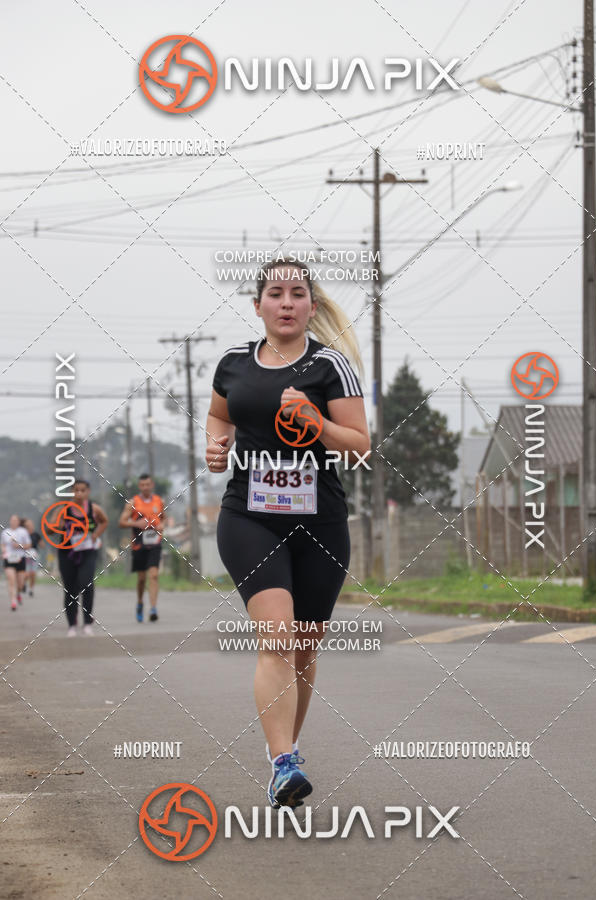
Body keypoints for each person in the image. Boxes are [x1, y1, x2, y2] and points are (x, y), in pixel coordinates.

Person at [206, 259, 369, 809]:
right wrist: (215, 444)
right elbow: (218, 417)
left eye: (297, 294)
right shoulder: (232, 363)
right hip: (248, 516)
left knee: (302, 648)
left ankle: (288, 748)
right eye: (275, 293)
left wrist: (318, 423)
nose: (286, 302)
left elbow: (361, 445)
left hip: (319, 521)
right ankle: (283, 765)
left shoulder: (332, 367)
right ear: (258, 306)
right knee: (276, 635)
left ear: (311, 307)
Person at [53, 480, 108, 636]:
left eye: (82, 490)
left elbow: (104, 521)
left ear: (88, 491)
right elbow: (51, 528)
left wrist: (96, 534)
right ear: (72, 491)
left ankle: (87, 621)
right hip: (67, 552)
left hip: (87, 551)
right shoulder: (64, 510)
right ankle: (72, 624)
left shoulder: (94, 509)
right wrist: (60, 526)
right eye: (76, 490)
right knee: (70, 588)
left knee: (86, 583)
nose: (79, 493)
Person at [119, 474, 165, 623]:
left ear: (152, 485)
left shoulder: (159, 501)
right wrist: (135, 524)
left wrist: (162, 525)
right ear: (140, 486)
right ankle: (140, 602)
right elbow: (121, 522)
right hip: (139, 544)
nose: (145, 487)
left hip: (155, 543)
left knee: (153, 575)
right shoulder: (132, 502)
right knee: (141, 579)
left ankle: (153, 608)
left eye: (148, 484)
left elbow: (163, 518)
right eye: (142, 485)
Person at [2, 515, 31, 610]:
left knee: (20, 584)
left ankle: (18, 593)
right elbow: (2, 544)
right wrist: (3, 551)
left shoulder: (23, 532)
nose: (13, 522)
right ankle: (13, 601)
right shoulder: (5, 532)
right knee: (11, 580)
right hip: (9, 558)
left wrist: (19, 546)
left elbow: (29, 545)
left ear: (18, 522)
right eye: (12, 520)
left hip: (20, 558)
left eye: (15, 520)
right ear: (10, 521)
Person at [23, 518, 42, 597]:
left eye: (31, 525)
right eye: (28, 525)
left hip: (34, 555)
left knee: (33, 574)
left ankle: (31, 589)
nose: (30, 526)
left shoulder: (36, 534)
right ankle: (23, 584)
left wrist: (41, 543)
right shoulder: (23, 534)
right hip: (25, 555)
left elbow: (41, 544)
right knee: (26, 574)